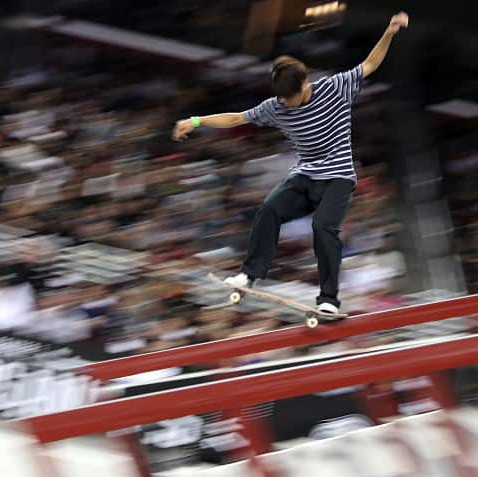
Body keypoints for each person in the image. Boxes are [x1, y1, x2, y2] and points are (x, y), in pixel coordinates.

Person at [172, 12, 409, 314]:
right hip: (305, 175)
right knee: (268, 210)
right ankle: (249, 274)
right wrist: (195, 121)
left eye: (292, 98)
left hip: (338, 178)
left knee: (324, 228)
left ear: (305, 83)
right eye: (282, 99)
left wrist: (389, 31)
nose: (287, 104)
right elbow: (236, 117)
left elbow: (370, 64)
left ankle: (328, 300)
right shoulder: (276, 106)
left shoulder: (335, 88)